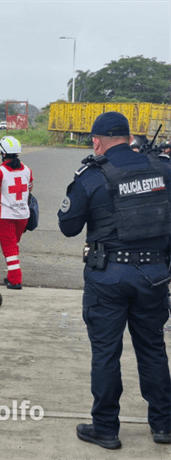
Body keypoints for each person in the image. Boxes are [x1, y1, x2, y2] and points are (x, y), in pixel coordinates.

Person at [58, 111, 171, 449]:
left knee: (106, 353)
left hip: (108, 276)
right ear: (129, 135)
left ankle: (106, 428)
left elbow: (67, 225)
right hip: (153, 275)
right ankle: (164, 425)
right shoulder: (164, 169)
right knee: (152, 348)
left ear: (97, 141)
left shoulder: (92, 175)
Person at [0, 136, 33, 290]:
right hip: (23, 215)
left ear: (3, 154)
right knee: (13, 245)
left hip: (5, 215)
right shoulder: (27, 170)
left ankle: (15, 279)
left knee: (9, 247)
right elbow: (29, 189)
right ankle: (13, 273)